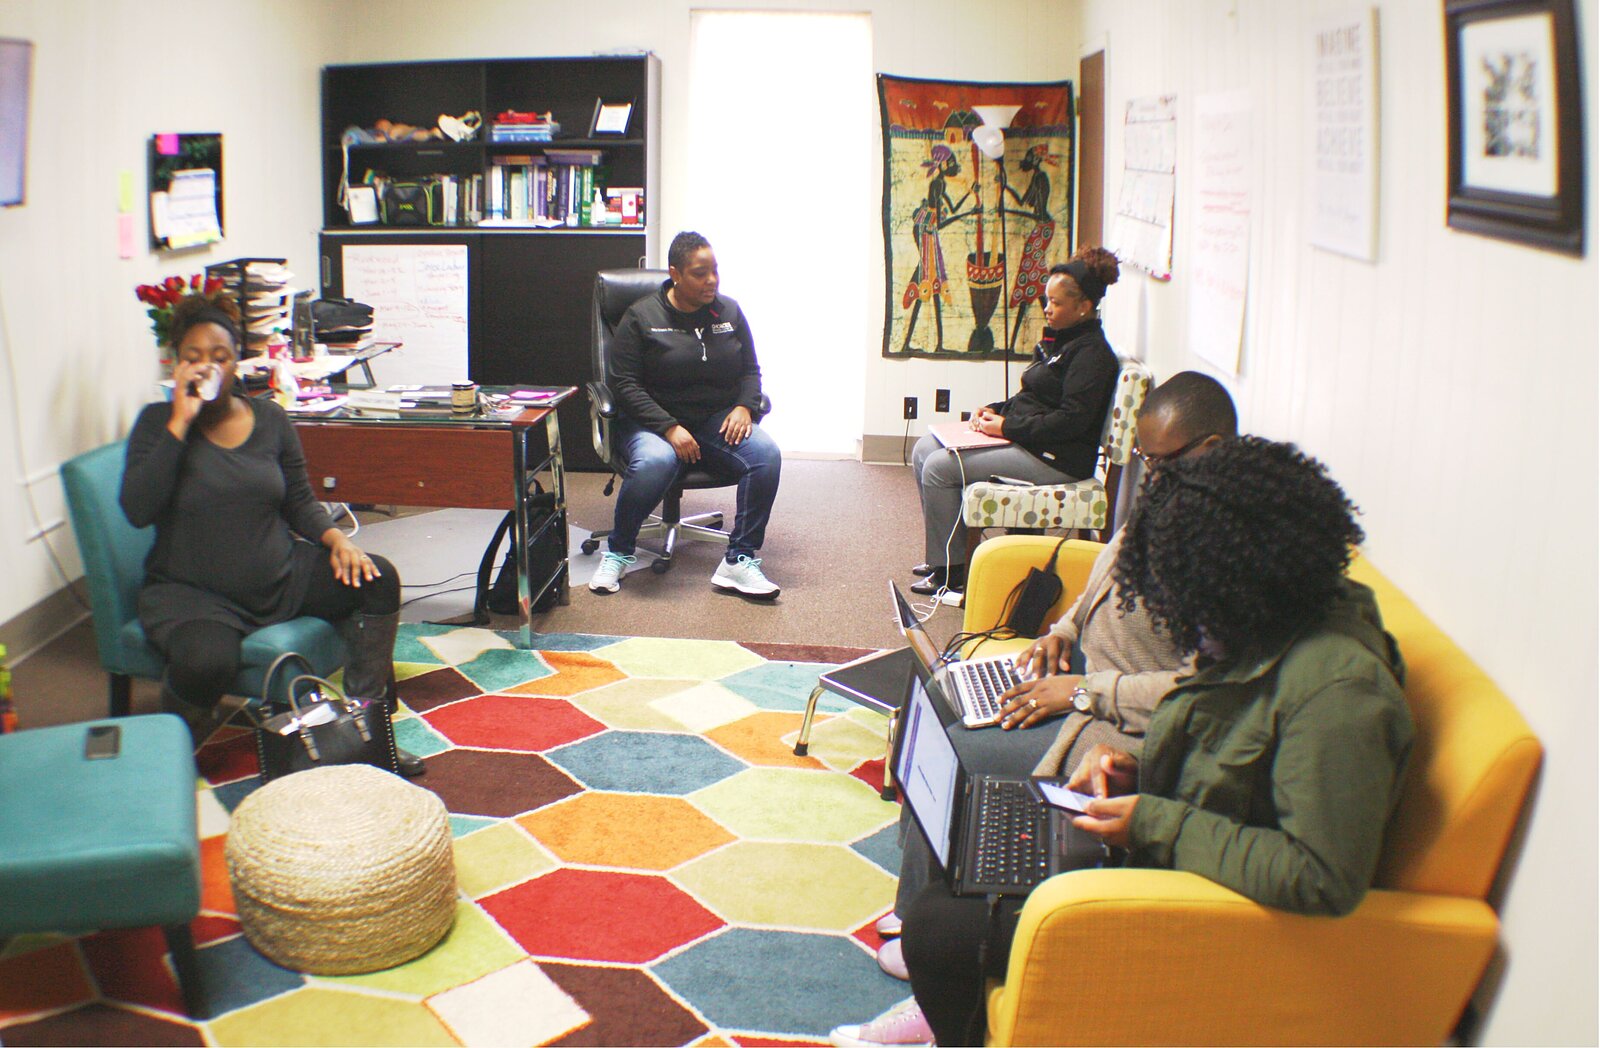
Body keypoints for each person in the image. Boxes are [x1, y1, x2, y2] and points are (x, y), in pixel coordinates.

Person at [833, 437, 1414, 1046]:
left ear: (1244, 582)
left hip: (1198, 906)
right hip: (1172, 854)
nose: (1194, 634)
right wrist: (1142, 776)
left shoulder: (1340, 694)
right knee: (982, 841)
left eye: (1197, 611)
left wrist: (1153, 818)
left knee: (936, 926)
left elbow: (1320, 875)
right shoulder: (1277, 624)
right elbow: (1236, 769)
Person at [871, 371, 1237, 983]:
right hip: (1083, 679)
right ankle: (922, 893)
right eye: (1143, 459)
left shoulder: (1234, 552)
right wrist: (1061, 634)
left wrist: (1085, 690)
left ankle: (933, 931)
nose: (1150, 476)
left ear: (1212, 450)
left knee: (961, 749)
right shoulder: (1168, 502)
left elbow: (1205, 694)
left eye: (1162, 461)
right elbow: (1099, 585)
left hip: (1126, 723)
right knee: (939, 694)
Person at [120, 292, 424, 776]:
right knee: (204, 663)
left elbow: (300, 501)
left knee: (377, 578)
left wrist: (336, 539)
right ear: (176, 365)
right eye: (193, 358)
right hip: (194, 594)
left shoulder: (269, 419)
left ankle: (368, 733)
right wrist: (180, 423)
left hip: (278, 574)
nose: (206, 368)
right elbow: (137, 509)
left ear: (238, 360)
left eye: (219, 356)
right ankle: (168, 757)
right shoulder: (157, 424)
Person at [907, 247, 1121, 598]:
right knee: (923, 449)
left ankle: (953, 573)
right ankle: (945, 557)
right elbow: (1034, 396)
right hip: (1029, 441)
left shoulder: (1093, 355)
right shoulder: (1061, 341)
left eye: (1056, 303)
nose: (1047, 309)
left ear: (1083, 307)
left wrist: (1004, 428)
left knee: (939, 468)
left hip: (1056, 459)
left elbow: (1070, 422)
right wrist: (995, 410)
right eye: (1045, 301)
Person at [589, 230, 782, 599]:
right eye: (699, 273)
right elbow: (624, 385)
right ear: (675, 274)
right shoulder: (641, 317)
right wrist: (669, 427)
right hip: (651, 422)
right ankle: (618, 551)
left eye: (714, 271)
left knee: (766, 456)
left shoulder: (729, 311)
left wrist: (744, 405)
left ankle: (738, 560)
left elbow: (750, 371)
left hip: (713, 420)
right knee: (656, 462)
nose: (711, 280)